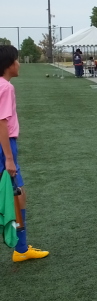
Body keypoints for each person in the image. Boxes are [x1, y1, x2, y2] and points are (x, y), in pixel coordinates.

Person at [0, 46, 49, 263]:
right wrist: (9, 158)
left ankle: (21, 247)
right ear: (9, 64)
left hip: (5, 145)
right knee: (16, 193)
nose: (19, 64)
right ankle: (20, 248)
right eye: (17, 60)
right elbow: (1, 123)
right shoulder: (5, 87)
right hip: (4, 147)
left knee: (17, 192)